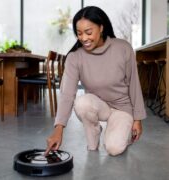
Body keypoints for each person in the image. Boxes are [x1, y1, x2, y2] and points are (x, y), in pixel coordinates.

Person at [45, 6, 146, 156]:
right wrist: (58, 129)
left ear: (101, 28)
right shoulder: (75, 57)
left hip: (122, 108)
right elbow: (67, 94)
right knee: (82, 103)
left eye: (88, 32)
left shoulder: (123, 48)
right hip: (99, 106)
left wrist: (137, 119)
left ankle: (122, 129)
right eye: (79, 33)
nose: (84, 38)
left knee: (114, 149)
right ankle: (94, 135)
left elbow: (134, 84)